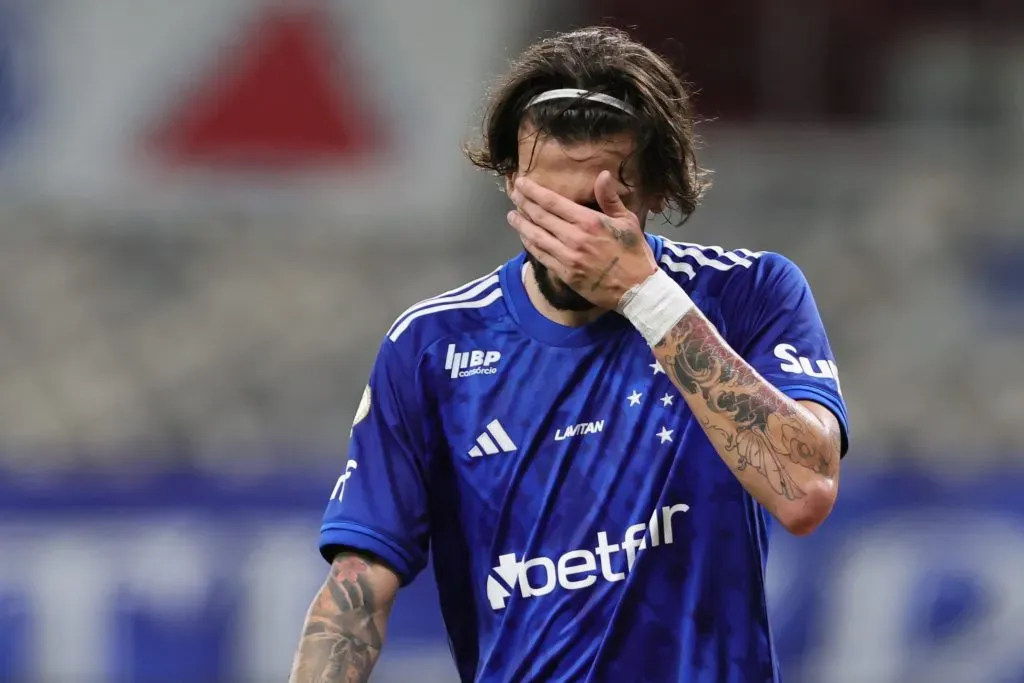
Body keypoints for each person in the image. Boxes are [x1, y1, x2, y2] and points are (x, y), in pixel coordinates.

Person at [289, 26, 848, 683]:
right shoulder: (432, 347)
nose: (574, 236)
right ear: (509, 182)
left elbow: (804, 490)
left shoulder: (748, 294)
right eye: (548, 206)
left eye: (599, 208)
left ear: (657, 191)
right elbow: (356, 595)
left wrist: (646, 297)